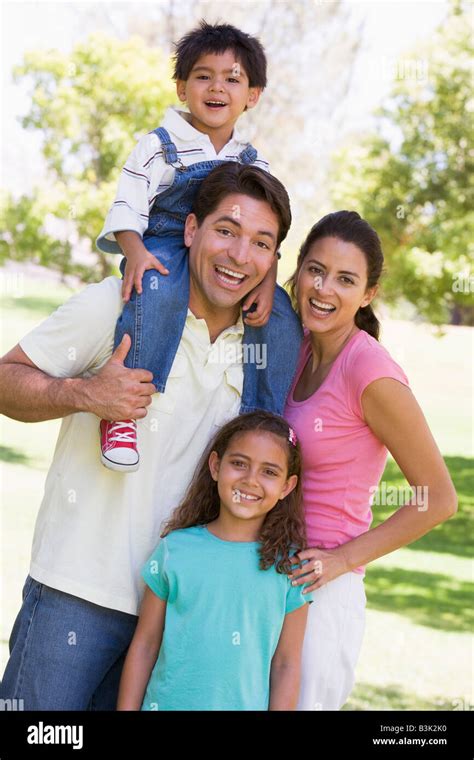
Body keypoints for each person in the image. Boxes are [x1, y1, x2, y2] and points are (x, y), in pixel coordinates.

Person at [0, 162, 301, 710]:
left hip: (181, 614)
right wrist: (84, 395)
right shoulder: (120, 303)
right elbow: (5, 381)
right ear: (191, 231)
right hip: (77, 591)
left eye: (261, 243)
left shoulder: (263, 350)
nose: (239, 256)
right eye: (226, 231)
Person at [95, 20, 299, 472]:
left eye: (233, 78)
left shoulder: (252, 160)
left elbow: (270, 225)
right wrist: (135, 252)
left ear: (253, 95)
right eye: (204, 76)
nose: (217, 87)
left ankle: (265, 424)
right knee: (158, 288)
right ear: (182, 87)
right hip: (166, 242)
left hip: (228, 255)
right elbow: (127, 205)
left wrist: (268, 278)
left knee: (281, 315)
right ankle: (123, 413)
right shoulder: (158, 146)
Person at [282, 210, 458, 711]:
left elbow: (439, 498)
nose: (324, 288)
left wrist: (342, 560)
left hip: (323, 595)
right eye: (315, 270)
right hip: (271, 581)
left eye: (345, 279)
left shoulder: (370, 370)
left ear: (368, 294)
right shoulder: (298, 347)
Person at [117, 412, 312, 711]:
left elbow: (286, 664)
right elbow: (145, 645)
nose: (250, 480)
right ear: (215, 466)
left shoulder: (290, 568)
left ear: (287, 486)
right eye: (239, 464)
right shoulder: (175, 550)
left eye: (269, 472)